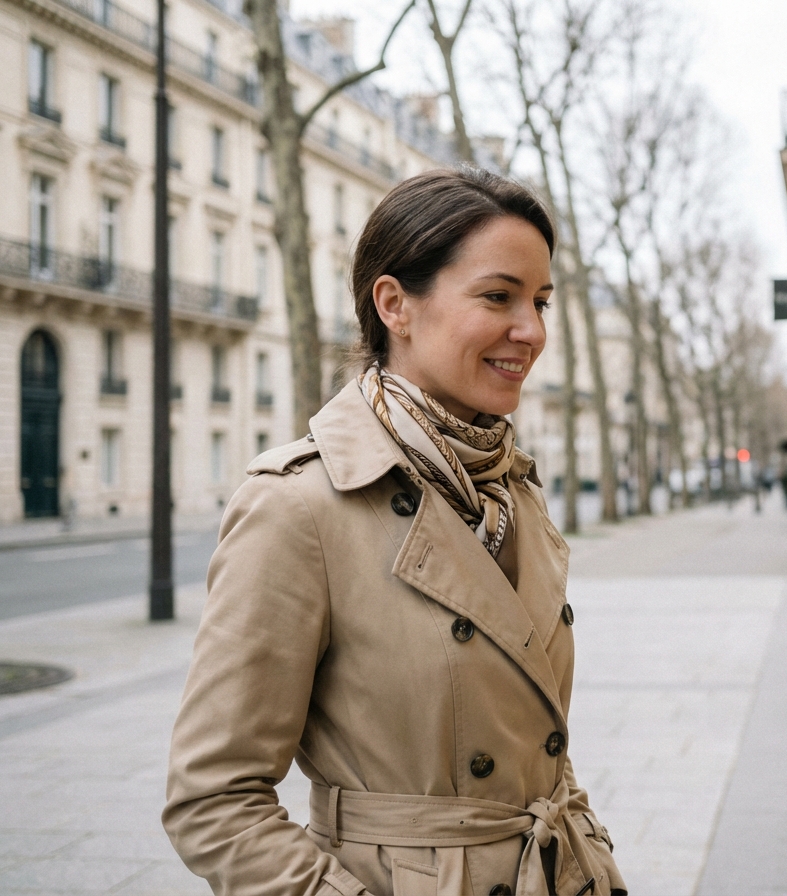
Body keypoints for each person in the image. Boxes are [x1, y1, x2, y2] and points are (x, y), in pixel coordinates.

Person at [163, 168, 626, 896]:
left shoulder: (509, 489)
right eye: (498, 296)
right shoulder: (299, 506)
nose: (532, 331)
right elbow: (213, 800)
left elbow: (532, 745)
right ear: (394, 305)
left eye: (539, 301)